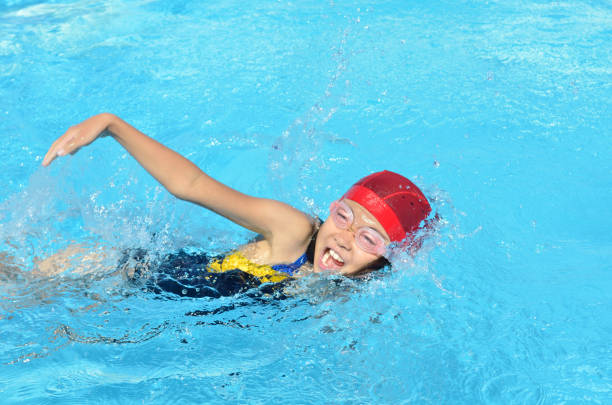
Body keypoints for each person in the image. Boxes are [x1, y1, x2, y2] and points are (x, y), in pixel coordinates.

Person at [42, 113, 432, 297]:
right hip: (134, 274)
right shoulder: (292, 231)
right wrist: (113, 126)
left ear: (387, 258)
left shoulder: (350, 288)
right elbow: (191, 185)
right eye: (343, 216)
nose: (344, 238)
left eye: (368, 238)